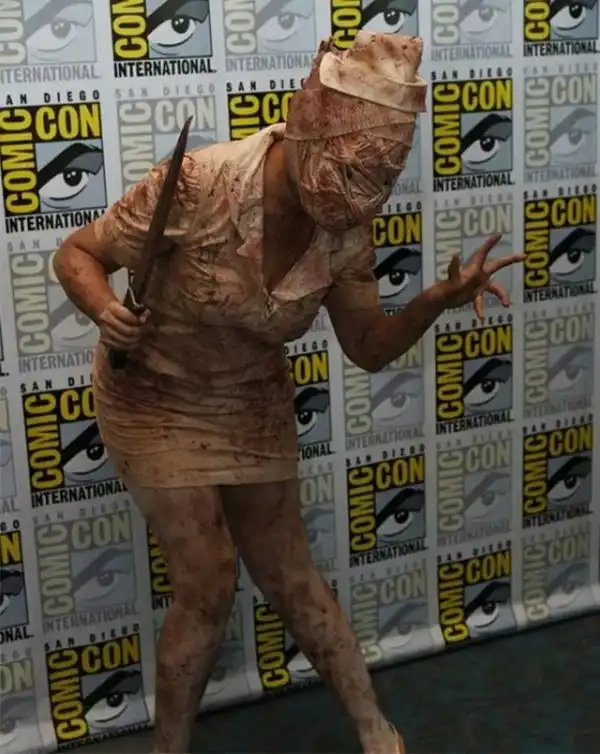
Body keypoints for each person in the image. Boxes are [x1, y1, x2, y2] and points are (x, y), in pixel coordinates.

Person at [53, 31, 524, 754]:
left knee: (288, 569)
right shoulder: (200, 182)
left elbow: (367, 349)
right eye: (345, 170)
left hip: (250, 399)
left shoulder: (347, 229)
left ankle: (373, 725)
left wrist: (434, 300)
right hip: (153, 393)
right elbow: (77, 254)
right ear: (306, 123)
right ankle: (167, 749)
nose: (354, 197)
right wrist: (104, 309)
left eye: (374, 178)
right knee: (209, 578)